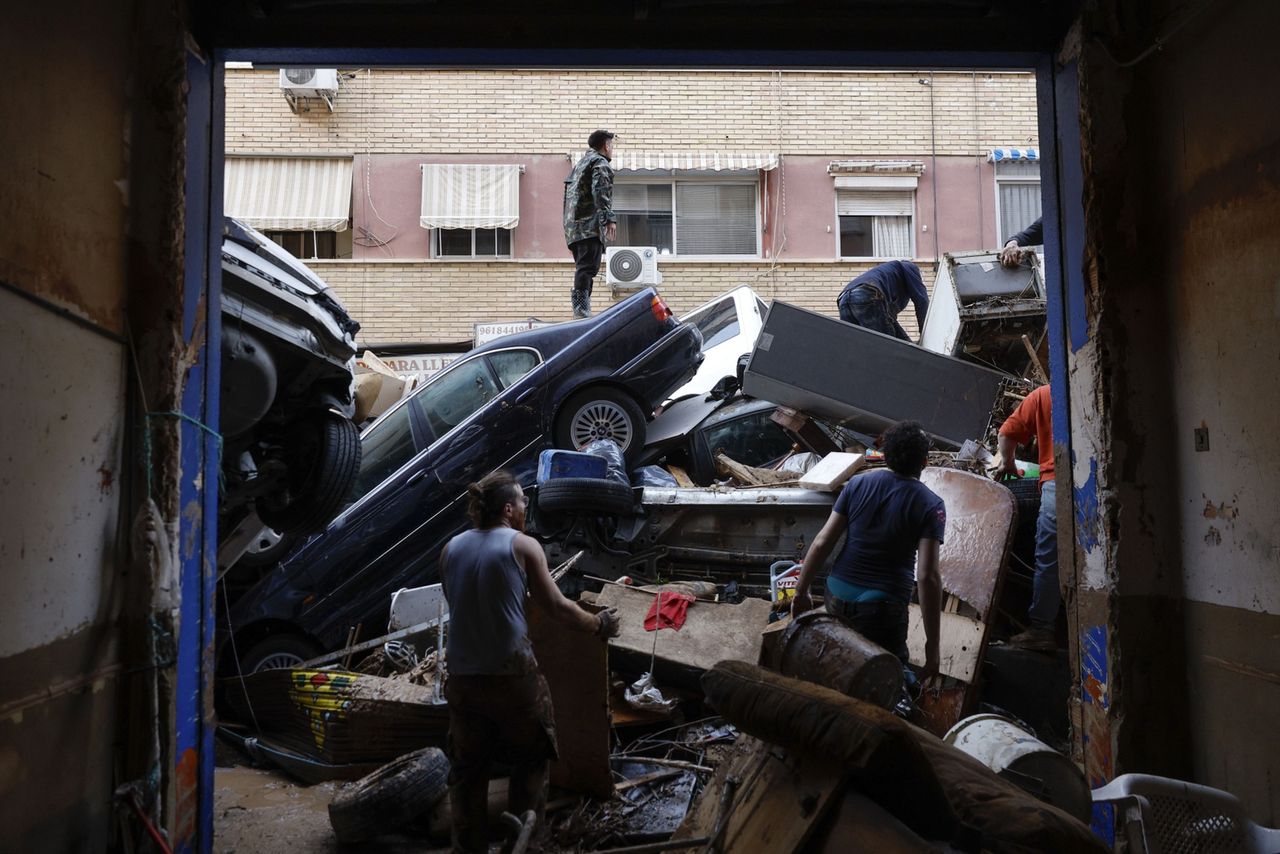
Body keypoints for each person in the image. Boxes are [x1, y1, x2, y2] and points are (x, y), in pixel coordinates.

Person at [439, 471, 620, 852]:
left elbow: (461, 603)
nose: (525, 507)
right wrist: (598, 624)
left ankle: (467, 848)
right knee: (531, 760)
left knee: (468, 771)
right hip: (511, 676)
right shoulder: (523, 546)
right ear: (508, 509)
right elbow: (555, 607)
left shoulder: (451, 548)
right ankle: (522, 844)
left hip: (462, 678)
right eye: (521, 502)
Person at [790, 421, 945, 691]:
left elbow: (823, 541)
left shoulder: (857, 484)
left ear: (885, 454)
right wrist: (933, 647)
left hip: (836, 596)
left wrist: (801, 590)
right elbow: (927, 576)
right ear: (924, 462)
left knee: (838, 667)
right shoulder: (931, 504)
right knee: (885, 683)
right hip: (881, 610)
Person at [995, 383, 1059, 651]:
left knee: (1049, 558)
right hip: (1097, 483)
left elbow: (1006, 433)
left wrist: (1007, 461)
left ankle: (1042, 630)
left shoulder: (1044, 395)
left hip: (1057, 484)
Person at [563, 129, 618, 318]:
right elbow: (600, 190)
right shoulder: (600, 162)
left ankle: (582, 309)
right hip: (589, 227)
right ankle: (581, 311)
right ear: (606, 145)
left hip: (573, 229)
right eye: (611, 145)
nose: (612, 150)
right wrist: (608, 218)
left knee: (584, 268)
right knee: (588, 268)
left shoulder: (580, 164)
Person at [836, 260, 929, 342]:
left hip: (843, 299)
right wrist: (925, 334)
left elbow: (889, 319)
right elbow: (922, 300)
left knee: (853, 346)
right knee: (887, 345)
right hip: (865, 293)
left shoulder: (890, 278)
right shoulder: (908, 267)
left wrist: (906, 342)